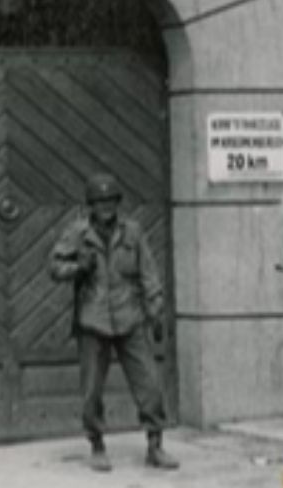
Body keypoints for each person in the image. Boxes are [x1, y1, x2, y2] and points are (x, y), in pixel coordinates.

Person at [48, 171, 179, 473]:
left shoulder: (132, 232)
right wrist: (77, 267)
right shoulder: (78, 233)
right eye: (99, 201)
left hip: (129, 317)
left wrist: (155, 310)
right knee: (92, 388)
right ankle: (96, 444)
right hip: (93, 320)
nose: (105, 206)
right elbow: (53, 266)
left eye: (110, 200)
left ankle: (155, 444)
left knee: (149, 382)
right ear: (90, 205)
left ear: (118, 202)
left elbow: (149, 273)